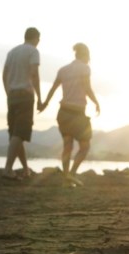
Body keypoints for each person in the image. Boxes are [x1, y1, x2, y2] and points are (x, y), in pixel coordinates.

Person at [40, 42, 100, 186]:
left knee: (68, 146)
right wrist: (96, 102)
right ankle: (72, 174)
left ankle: (66, 178)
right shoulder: (85, 68)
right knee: (85, 147)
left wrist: (45, 104)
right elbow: (87, 88)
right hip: (78, 114)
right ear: (85, 55)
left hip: (63, 113)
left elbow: (53, 88)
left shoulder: (63, 70)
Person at [2, 27, 43, 180]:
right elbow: (34, 74)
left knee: (15, 134)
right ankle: (7, 169)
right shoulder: (33, 51)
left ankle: (26, 169)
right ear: (36, 38)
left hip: (12, 95)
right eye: (39, 39)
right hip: (26, 95)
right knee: (19, 133)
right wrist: (39, 98)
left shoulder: (12, 52)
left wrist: (8, 93)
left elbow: (4, 75)